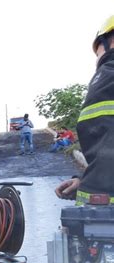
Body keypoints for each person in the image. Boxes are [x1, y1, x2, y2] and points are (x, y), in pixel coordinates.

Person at [56, 15, 114, 205]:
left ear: (108, 42)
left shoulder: (108, 74)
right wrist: (82, 180)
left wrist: (89, 186)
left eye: (97, 50)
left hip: (104, 219)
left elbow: (108, 147)